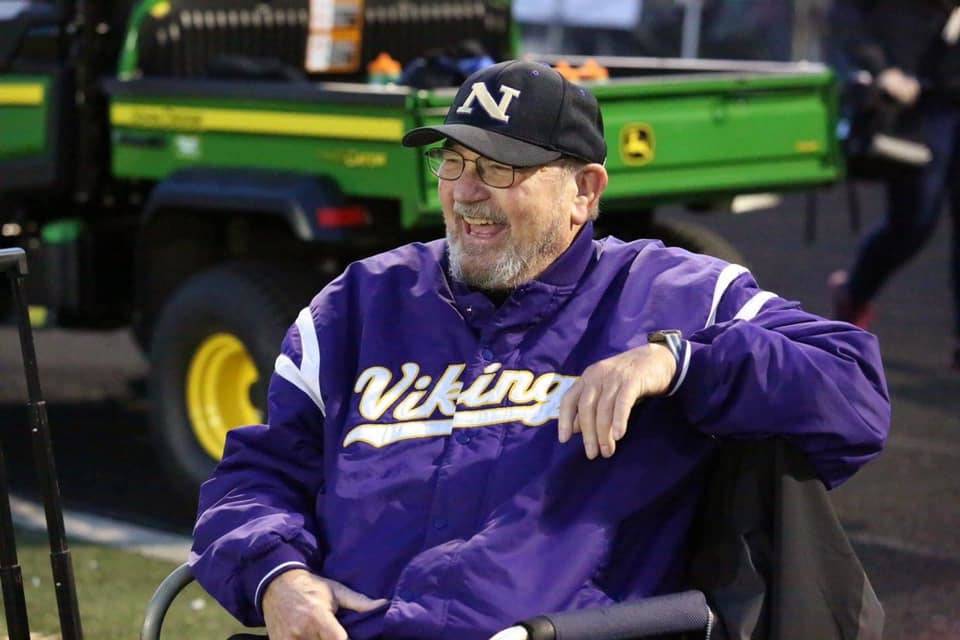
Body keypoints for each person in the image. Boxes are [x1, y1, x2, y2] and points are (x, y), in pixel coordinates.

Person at [190, 60, 891, 640]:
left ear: (584, 191)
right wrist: (276, 578)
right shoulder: (356, 305)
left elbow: (853, 386)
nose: (465, 192)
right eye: (453, 161)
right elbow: (255, 478)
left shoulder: (671, 293)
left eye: (500, 168)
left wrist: (680, 361)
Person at [827, 0, 960, 368]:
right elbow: (846, 15)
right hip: (914, 104)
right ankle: (854, 292)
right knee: (914, 221)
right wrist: (879, 69)